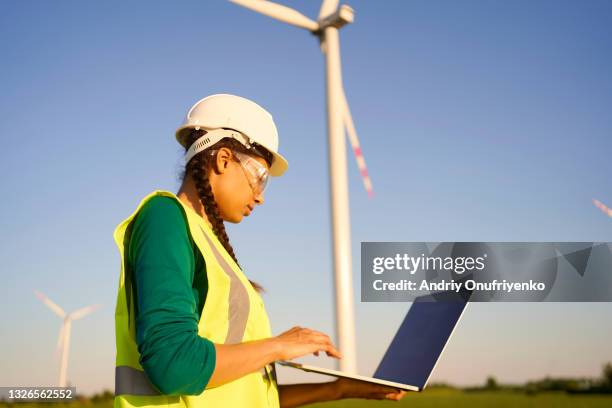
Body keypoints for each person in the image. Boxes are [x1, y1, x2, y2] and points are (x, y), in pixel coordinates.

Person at [113, 94, 407, 408]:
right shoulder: (165, 217)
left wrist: (338, 389)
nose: (261, 197)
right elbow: (173, 365)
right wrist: (278, 346)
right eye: (260, 178)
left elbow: (250, 396)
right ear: (222, 159)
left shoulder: (212, 247)